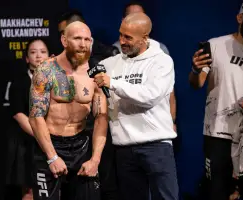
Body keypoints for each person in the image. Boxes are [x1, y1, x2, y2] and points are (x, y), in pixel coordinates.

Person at [94, 13, 178, 200]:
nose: (122, 41)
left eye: (128, 37)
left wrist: (112, 83)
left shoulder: (162, 62)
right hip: (124, 149)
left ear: (144, 38)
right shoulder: (109, 64)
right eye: (121, 35)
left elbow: (150, 96)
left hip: (156, 146)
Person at [28, 21, 108, 200]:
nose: (83, 44)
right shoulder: (46, 70)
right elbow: (35, 116)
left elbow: (101, 118)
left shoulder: (95, 74)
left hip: (81, 146)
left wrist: (95, 160)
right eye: (77, 38)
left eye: (87, 39)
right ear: (64, 40)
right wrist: (52, 157)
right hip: (49, 145)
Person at [57, 10, 119, 200]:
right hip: (70, 140)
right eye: (64, 35)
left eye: (84, 38)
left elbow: (107, 108)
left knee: (106, 187)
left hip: (101, 134)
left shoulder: (106, 58)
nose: (79, 44)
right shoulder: (56, 64)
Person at [189, 1, 243, 199]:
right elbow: (197, 83)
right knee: (217, 192)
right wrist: (196, 70)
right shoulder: (214, 45)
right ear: (240, 18)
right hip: (218, 133)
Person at [113, 1, 177, 133]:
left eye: (139, 16)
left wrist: (171, 120)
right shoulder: (113, 52)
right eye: (131, 17)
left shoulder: (160, 51)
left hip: (155, 128)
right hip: (125, 129)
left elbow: (169, 92)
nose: (135, 20)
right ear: (122, 21)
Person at [5, 39, 49, 200]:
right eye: (33, 52)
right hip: (27, 143)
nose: (38, 56)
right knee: (30, 192)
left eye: (43, 52)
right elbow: (18, 113)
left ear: (50, 56)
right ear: (26, 58)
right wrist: (42, 136)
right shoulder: (19, 82)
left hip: (55, 142)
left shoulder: (58, 81)